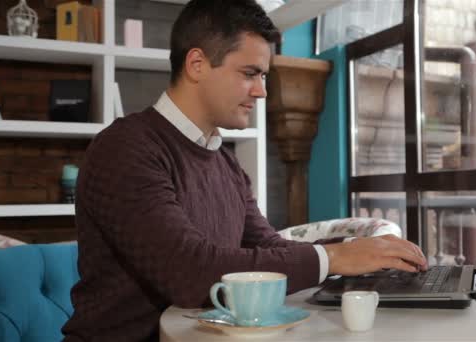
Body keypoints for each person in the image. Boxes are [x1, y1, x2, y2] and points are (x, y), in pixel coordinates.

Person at [62, 0, 427, 340]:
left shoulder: (225, 162)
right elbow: (189, 272)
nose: (262, 91)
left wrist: (358, 252)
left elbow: (267, 247)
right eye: (250, 73)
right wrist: (333, 258)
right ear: (197, 65)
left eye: (263, 76)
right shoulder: (126, 148)